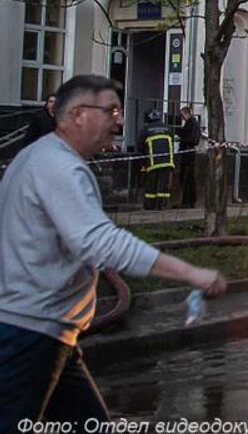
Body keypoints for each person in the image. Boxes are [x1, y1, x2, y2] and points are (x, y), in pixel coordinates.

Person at [0, 75, 227, 429]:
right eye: (110, 110)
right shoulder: (61, 168)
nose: (119, 121)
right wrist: (191, 273)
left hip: (48, 330)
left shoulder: (34, 157)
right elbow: (102, 243)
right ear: (77, 114)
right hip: (31, 331)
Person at [138, 109, 176, 210]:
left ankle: (150, 207)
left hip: (153, 162)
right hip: (168, 161)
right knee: (163, 186)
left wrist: (142, 164)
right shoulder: (167, 128)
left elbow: (140, 148)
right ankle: (162, 206)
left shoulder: (145, 129)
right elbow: (172, 141)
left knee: (151, 186)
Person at [177, 107, 202, 209]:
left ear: (185, 113)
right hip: (189, 153)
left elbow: (190, 137)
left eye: (182, 115)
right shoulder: (193, 123)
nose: (182, 118)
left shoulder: (191, 123)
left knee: (187, 177)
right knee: (189, 178)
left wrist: (180, 134)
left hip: (188, 154)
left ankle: (187, 201)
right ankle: (189, 201)